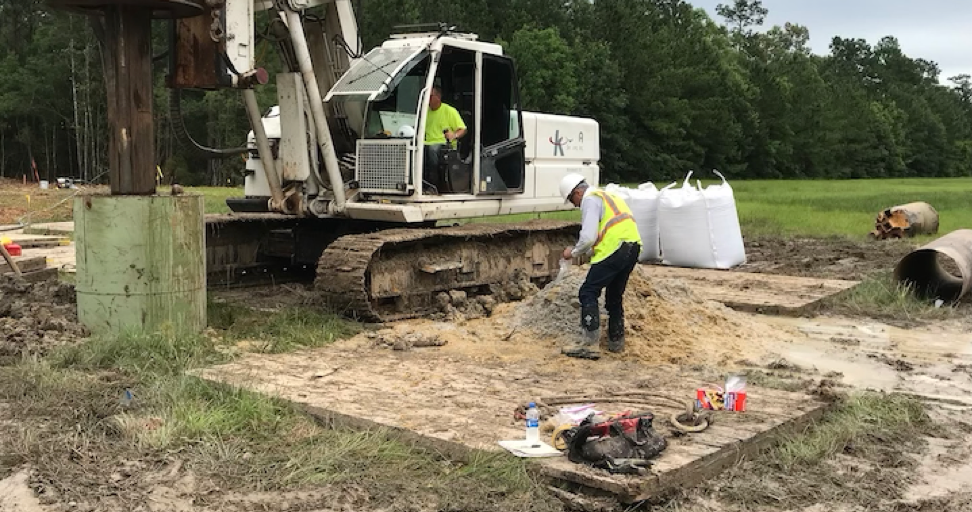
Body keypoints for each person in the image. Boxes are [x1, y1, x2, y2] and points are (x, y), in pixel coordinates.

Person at [559, 173, 642, 359]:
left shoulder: (590, 199)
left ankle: (589, 345)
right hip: (633, 247)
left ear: (578, 192)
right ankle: (616, 343)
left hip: (615, 248)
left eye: (572, 199)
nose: (574, 205)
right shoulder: (609, 196)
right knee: (614, 296)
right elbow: (606, 230)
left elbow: (588, 237)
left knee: (588, 292)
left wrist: (572, 252)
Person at [423, 86, 466, 191]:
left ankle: (433, 185)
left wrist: (454, 135)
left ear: (438, 97)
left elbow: (463, 129)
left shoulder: (449, 111)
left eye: (430, 96)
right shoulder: (424, 112)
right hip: (425, 142)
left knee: (432, 150)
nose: (427, 99)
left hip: (443, 144)